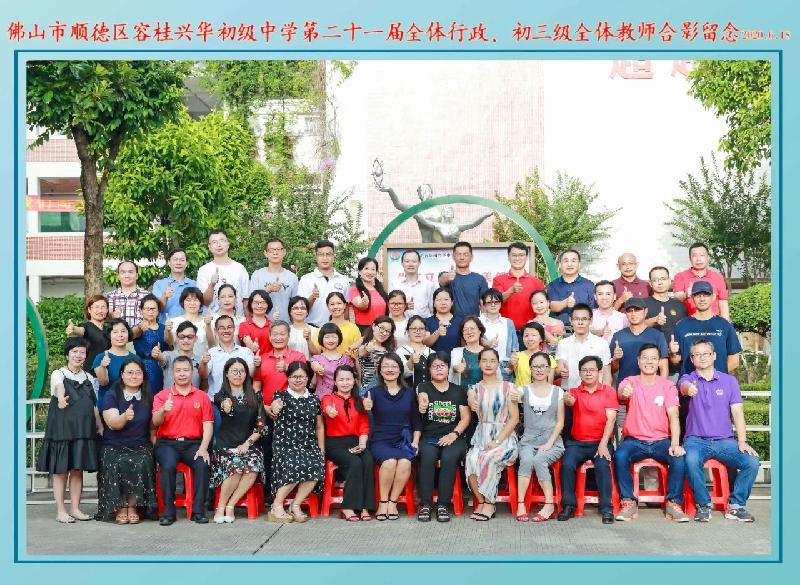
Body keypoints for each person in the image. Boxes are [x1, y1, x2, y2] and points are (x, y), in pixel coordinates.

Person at [679, 338, 761, 522]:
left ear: (714, 355)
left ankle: (736, 506)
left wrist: (742, 441)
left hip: (725, 441)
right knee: (690, 460)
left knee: (752, 462)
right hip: (696, 440)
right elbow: (683, 387)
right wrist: (688, 388)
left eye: (706, 353)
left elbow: (737, 412)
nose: (702, 357)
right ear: (692, 359)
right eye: (697, 354)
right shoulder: (688, 379)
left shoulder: (729, 381)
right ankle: (703, 505)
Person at [613, 344, 689, 523]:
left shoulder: (667, 386)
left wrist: (675, 443)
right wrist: (624, 392)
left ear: (659, 362)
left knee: (678, 458)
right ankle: (628, 502)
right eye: (645, 358)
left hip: (661, 441)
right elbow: (621, 393)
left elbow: (673, 415)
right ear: (638, 361)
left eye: (654, 358)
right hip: (634, 441)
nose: (649, 362)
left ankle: (673, 503)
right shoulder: (630, 381)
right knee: (620, 456)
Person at [36, 338, 102, 523]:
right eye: (74, 352)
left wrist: (100, 425)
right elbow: (59, 387)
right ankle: (61, 510)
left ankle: (75, 508)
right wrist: (61, 399)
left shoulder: (89, 377)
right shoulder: (58, 374)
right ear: (67, 354)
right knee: (61, 470)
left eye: (82, 352)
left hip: (83, 430)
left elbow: (94, 405)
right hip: (62, 430)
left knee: (77, 470)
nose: (78, 355)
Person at [152, 356, 214, 525]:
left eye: (186, 370)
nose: (182, 374)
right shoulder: (162, 396)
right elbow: (155, 422)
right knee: (168, 465)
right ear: (172, 373)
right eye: (178, 370)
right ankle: (169, 512)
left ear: (192, 372)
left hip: (193, 443)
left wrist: (203, 448)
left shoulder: (202, 396)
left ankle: (198, 511)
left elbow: (208, 425)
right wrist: (163, 410)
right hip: (167, 443)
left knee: (203, 464)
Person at [557, 355, 618, 524]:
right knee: (567, 465)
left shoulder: (608, 392)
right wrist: (568, 401)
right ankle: (568, 506)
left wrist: (603, 444)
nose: (588, 373)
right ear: (579, 373)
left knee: (602, 465)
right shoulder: (574, 392)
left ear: (599, 372)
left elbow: (611, 419)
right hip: (577, 443)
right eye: (584, 370)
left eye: (592, 370)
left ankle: (606, 508)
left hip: (601, 442)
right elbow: (569, 401)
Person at [96, 358, 157, 524]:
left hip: (140, 444)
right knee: (117, 461)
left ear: (143, 376)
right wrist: (124, 417)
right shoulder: (112, 394)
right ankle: (121, 506)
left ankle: (132, 506)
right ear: (122, 375)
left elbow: (152, 425)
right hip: (114, 444)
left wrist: (154, 442)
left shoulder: (148, 395)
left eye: (138, 373)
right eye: (130, 372)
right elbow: (112, 423)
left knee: (143, 460)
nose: (134, 376)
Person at [266, 361, 325, 523]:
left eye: (302, 377)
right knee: (295, 465)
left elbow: (319, 427)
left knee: (316, 465)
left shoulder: (314, 399)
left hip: (308, 444)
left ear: (308, 378)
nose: (298, 380)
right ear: (288, 378)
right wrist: (275, 407)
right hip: (285, 444)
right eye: (294, 376)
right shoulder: (281, 395)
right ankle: (277, 505)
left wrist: (321, 449)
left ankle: (296, 504)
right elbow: (274, 406)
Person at [464, 348, 519, 521]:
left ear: (498, 364)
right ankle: (481, 501)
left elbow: (514, 419)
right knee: (471, 458)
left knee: (488, 457)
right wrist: (471, 400)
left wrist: (497, 441)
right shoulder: (474, 388)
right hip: (481, 437)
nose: (488, 364)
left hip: (504, 438)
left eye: (492, 361)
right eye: (484, 360)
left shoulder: (508, 388)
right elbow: (470, 398)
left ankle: (490, 503)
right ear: (479, 364)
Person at [365, 353, 422, 521]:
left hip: (403, 439)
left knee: (405, 462)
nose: (390, 369)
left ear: (400, 370)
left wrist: (415, 442)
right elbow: (361, 416)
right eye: (386, 366)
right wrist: (365, 407)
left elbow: (416, 422)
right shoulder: (372, 393)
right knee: (389, 462)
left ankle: (392, 502)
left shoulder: (410, 393)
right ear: (380, 370)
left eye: (394, 366)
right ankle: (383, 502)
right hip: (380, 440)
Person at [212, 357, 269, 524]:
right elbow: (223, 404)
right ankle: (220, 507)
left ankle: (230, 505)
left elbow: (261, 426)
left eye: (242, 371)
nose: (238, 374)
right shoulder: (221, 396)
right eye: (234, 371)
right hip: (226, 445)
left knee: (252, 468)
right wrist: (226, 405)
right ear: (227, 374)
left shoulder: (256, 396)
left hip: (249, 444)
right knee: (236, 468)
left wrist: (247, 444)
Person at [416, 352, 470, 523]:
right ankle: (425, 504)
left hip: (454, 437)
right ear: (429, 369)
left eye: (442, 366)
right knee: (428, 456)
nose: (439, 369)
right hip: (429, 436)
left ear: (448, 368)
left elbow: (466, 417)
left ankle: (443, 504)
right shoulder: (423, 387)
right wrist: (422, 404)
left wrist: (453, 434)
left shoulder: (459, 390)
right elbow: (421, 397)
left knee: (449, 457)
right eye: (434, 366)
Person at [515, 351, 565, 522]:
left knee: (539, 459)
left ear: (549, 368)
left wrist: (549, 443)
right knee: (527, 459)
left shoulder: (558, 392)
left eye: (543, 366)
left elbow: (560, 422)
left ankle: (549, 504)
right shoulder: (523, 390)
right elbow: (511, 395)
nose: (539, 369)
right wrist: (512, 397)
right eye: (535, 366)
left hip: (552, 440)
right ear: (530, 369)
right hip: (528, 439)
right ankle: (521, 503)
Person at [321, 365, 375, 521]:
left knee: (368, 460)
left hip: (356, 441)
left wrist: (362, 444)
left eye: (348, 379)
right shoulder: (328, 398)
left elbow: (364, 426)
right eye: (341, 379)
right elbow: (326, 408)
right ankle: (348, 507)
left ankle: (365, 507)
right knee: (354, 463)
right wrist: (330, 411)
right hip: (335, 443)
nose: (345, 383)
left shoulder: (360, 401)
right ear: (335, 382)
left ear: (354, 381)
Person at [671, 281, 742, 377]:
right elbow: (675, 361)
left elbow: (734, 361)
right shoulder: (681, 326)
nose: (702, 299)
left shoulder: (725, 326)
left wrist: (712, 378)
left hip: (718, 383)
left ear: (713, 297)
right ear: (692, 298)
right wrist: (673, 353)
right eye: (698, 295)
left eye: (706, 295)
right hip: (690, 383)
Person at [555, 304, 612, 393]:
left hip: (595, 394)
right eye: (576, 319)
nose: (580, 323)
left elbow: (607, 375)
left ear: (591, 321)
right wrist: (561, 371)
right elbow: (560, 367)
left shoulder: (602, 344)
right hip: (570, 394)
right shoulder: (563, 344)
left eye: (584, 319)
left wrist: (605, 395)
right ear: (570, 320)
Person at [643, 266, 688, 377]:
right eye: (655, 280)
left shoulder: (680, 306)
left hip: (675, 364)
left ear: (669, 281)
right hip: (649, 366)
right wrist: (653, 321)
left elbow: (685, 333)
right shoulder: (643, 304)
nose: (660, 283)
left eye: (663, 279)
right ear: (650, 283)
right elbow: (635, 326)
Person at [491, 242, 545, 329]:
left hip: (530, 331)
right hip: (504, 329)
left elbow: (543, 307)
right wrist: (511, 291)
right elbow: (495, 302)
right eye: (514, 255)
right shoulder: (498, 280)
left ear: (526, 257)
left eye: (521, 255)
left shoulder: (537, 282)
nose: (517, 258)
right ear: (508, 257)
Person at [296, 240, 350, 327]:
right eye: (321, 254)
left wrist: (346, 327)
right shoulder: (306, 279)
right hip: (312, 328)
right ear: (316, 257)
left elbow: (346, 307)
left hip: (336, 330)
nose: (325, 258)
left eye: (328, 254)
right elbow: (300, 308)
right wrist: (313, 297)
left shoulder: (343, 280)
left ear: (333, 256)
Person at [197, 229, 250, 315]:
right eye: (214, 242)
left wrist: (247, 321)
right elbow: (204, 302)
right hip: (212, 320)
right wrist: (212, 285)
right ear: (209, 247)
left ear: (228, 244)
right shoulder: (204, 270)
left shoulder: (240, 268)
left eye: (222, 240)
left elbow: (246, 299)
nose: (219, 245)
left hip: (237, 319)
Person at [672, 242, 730, 320]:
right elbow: (677, 297)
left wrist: (726, 323)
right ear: (690, 258)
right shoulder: (680, 276)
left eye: (702, 255)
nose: (698, 259)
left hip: (713, 322)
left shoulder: (718, 277)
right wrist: (686, 294)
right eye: (694, 256)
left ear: (708, 257)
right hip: (688, 322)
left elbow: (723, 302)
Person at [253, 320, 307, 403]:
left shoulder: (299, 356)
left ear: (289, 336)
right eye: (275, 334)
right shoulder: (262, 358)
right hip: (266, 407)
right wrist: (261, 405)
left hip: (292, 407)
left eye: (282, 334)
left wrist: (287, 368)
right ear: (270, 337)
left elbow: (303, 379)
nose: (278, 338)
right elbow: (257, 383)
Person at [205, 315, 255, 399]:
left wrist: (256, 365)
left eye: (229, 327)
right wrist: (203, 363)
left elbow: (251, 373)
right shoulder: (211, 353)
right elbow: (204, 375)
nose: (226, 330)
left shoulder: (245, 351)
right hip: (215, 401)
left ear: (234, 329)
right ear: (216, 331)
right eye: (222, 328)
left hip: (241, 401)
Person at [248, 238, 299, 321]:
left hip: (285, 325)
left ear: (284, 252)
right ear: (265, 253)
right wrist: (269, 289)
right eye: (271, 250)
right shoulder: (257, 275)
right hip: (261, 324)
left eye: (278, 249)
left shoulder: (292, 277)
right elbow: (251, 301)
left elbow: (296, 304)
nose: (275, 253)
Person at [546, 249, 596, 327]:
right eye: (566, 261)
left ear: (579, 264)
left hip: (582, 329)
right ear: (560, 264)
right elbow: (552, 306)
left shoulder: (589, 285)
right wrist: (565, 303)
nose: (570, 264)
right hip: (558, 329)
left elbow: (593, 310)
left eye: (573, 261)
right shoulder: (553, 285)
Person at [437, 241, 488, 317]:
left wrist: (484, 321)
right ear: (453, 257)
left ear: (471, 257)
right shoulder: (447, 276)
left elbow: (483, 304)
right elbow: (442, 280)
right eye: (458, 254)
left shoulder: (480, 279)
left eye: (465, 254)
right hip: (451, 322)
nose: (462, 257)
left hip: (473, 322)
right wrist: (448, 277)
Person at [93, 319, 137, 405]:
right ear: (109, 335)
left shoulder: (135, 358)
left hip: (130, 405)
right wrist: (103, 366)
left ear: (128, 334)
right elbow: (103, 382)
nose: (120, 335)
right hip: (108, 405)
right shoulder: (100, 357)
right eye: (115, 332)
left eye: (123, 331)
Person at [479, 288, 519, 382]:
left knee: (505, 391)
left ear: (501, 303)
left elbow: (515, 347)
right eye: (489, 302)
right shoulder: (478, 322)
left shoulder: (508, 322)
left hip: (504, 367)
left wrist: (511, 367)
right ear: (484, 304)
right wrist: (486, 343)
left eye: (496, 302)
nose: (493, 305)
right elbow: (472, 342)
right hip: (484, 366)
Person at [65, 294, 110, 372]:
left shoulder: (109, 328)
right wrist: (73, 329)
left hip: (109, 370)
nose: (100, 311)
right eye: (96, 307)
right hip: (91, 371)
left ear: (107, 310)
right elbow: (80, 331)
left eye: (103, 307)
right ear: (89, 310)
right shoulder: (86, 326)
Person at [151, 248, 198, 324]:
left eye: (182, 260)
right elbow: (157, 309)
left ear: (186, 263)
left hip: (190, 328)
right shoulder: (159, 284)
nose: (178, 263)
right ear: (169, 263)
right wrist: (165, 296)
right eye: (175, 259)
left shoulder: (194, 284)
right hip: (166, 327)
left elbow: (200, 309)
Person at [132, 294, 166, 393]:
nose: (151, 312)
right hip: (142, 367)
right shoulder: (138, 327)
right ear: (141, 311)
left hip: (163, 367)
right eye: (147, 309)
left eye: (153, 309)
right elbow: (131, 335)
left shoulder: (164, 328)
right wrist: (140, 328)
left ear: (158, 310)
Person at [167, 287, 211, 363]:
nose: (192, 303)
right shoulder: (174, 321)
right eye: (188, 300)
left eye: (195, 300)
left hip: (203, 363)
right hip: (180, 364)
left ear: (200, 302)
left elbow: (212, 344)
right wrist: (167, 330)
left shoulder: (207, 321)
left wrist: (208, 325)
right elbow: (170, 342)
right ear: (182, 302)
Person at [310, 323, 355, 397]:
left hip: (343, 398)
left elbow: (355, 377)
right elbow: (315, 366)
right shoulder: (316, 358)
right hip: (323, 398)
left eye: (334, 337)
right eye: (327, 337)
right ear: (321, 339)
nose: (330, 340)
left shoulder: (346, 359)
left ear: (339, 338)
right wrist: (318, 369)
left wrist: (355, 358)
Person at [155, 321, 201, 389]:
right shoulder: (168, 355)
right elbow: (162, 360)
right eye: (182, 337)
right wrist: (158, 354)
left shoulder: (201, 361)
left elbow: (204, 384)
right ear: (177, 337)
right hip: (170, 395)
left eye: (190, 337)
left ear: (196, 338)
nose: (186, 340)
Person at [348, 256, 389, 333]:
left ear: (376, 272)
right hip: (364, 330)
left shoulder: (380, 289)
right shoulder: (354, 289)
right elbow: (360, 305)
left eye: (373, 269)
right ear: (359, 271)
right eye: (366, 268)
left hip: (382, 330)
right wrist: (364, 303)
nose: (370, 272)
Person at [356, 316, 397, 390]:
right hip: (368, 391)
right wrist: (367, 349)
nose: (384, 333)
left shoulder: (389, 350)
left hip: (385, 390)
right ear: (374, 326)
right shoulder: (365, 346)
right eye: (382, 328)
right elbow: (361, 353)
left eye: (388, 331)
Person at [106, 261, 150, 328]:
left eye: (130, 272)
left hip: (142, 334)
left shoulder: (147, 296)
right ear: (118, 276)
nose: (127, 276)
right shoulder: (109, 297)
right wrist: (111, 316)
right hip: (117, 334)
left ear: (137, 275)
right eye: (123, 272)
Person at [449, 316, 488, 388]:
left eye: (472, 328)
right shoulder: (456, 352)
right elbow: (453, 368)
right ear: (462, 334)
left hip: (485, 393)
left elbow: (497, 377)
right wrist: (457, 368)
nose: (469, 332)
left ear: (479, 331)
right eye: (465, 330)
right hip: (462, 393)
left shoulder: (488, 352)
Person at [396, 315, 434, 389]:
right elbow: (399, 374)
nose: (418, 332)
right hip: (407, 392)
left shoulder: (432, 352)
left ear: (425, 332)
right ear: (407, 331)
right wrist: (410, 362)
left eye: (421, 329)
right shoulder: (400, 351)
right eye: (413, 328)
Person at [512, 321, 556, 386]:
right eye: (526, 335)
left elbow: (549, 384)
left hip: (541, 392)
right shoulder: (517, 356)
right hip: (520, 392)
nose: (530, 339)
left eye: (534, 335)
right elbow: (509, 370)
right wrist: (511, 363)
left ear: (541, 338)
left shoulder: (549, 358)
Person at [395, 249, 435, 318]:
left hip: (424, 322)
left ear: (419, 263)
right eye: (407, 261)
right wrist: (404, 307)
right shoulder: (395, 285)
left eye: (414, 261)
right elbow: (392, 308)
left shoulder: (428, 285)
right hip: (403, 322)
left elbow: (433, 308)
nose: (410, 264)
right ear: (402, 263)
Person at [424, 287, 464, 353]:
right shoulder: (427, 322)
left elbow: (464, 345)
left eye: (446, 299)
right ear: (434, 303)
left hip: (455, 359)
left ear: (452, 302)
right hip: (434, 359)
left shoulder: (461, 322)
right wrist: (437, 333)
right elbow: (425, 343)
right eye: (439, 300)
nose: (443, 303)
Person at [238, 289, 273, 355]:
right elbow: (248, 342)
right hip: (251, 360)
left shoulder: (273, 325)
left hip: (270, 360)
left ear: (268, 304)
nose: (259, 306)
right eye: (256, 303)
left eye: (263, 302)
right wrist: (252, 346)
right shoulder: (244, 325)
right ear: (250, 304)